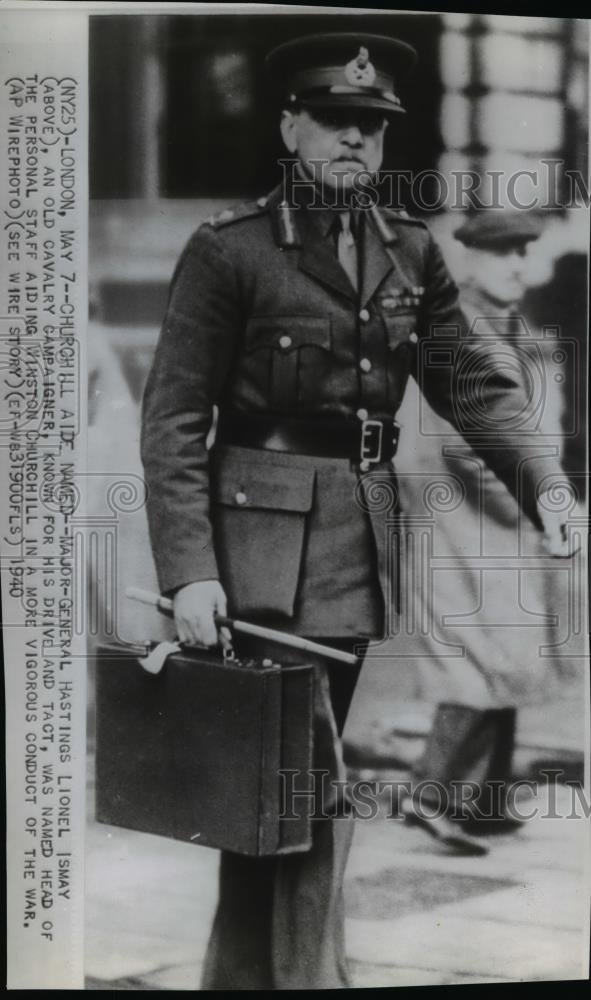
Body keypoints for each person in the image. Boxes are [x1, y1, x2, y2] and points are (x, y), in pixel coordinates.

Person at [140, 34, 573, 990]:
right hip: (256, 552)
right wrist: (190, 570)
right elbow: (172, 420)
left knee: (268, 790)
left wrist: (544, 483)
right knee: (308, 782)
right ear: (290, 124)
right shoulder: (230, 250)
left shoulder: (408, 252)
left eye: (371, 129)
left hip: (353, 554)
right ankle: (311, 980)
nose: (354, 142)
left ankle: (241, 978)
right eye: (335, 121)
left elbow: (475, 386)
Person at [396, 210, 581, 855]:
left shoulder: (518, 329)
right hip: (465, 525)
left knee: (513, 658)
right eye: (501, 255)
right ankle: (432, 792)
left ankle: (487, 798)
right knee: (477, 661)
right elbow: (468, 446)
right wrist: (539, 508)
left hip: (507, 526)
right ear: (469, 261)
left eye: (524, 253)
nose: (516, 266)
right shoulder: (461, 328)